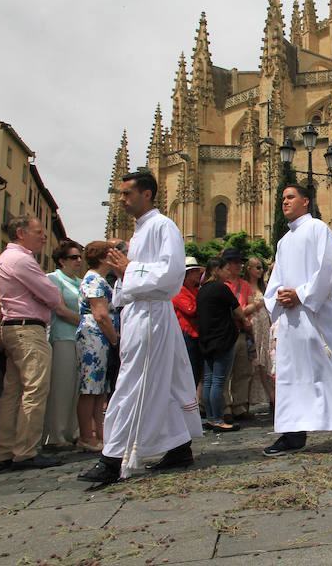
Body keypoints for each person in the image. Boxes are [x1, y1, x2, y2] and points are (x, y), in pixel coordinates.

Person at [78, 171, 202, 484]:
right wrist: (125, 272)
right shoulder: (139, 233)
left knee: (134, 381)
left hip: (150, 313)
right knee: (168, 382)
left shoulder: (163, 226)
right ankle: (179, 446)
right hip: (140, 311)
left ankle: (112, 458)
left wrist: (128, 269)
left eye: (127, 193)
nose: (121, 199)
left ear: (146, 194)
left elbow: (172, 273)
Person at [262, 184, 332, 457]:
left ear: (305, 201)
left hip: (318, 314)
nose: (284, 202)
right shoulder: (284, 241)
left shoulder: (318, 229)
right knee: (293, 374)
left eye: (290, 197)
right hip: (293, 321)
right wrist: (278, 297)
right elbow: (276, 281)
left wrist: (301, 294)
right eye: (282, 198)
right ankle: (293, 432)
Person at [0, 216, 78, 470]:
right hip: (28, 330)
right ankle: (26, 451)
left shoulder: (5, 258)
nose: (43, 237)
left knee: (13, 393)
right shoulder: (21, 259)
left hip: (13, 328)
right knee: (34, 390)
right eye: (38, 232)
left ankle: (5, 451)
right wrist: (46, 297)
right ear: (20, 233)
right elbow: (52, 294)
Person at [75, 241, 120, 452]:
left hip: (98, 336)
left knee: (99, 389)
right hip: (94, 336)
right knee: (90, 388)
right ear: (103, 259)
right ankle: (86, 435)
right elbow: (100, 314)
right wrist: (114, 338)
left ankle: (98, 433)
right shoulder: (94, 279)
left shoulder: (98, 279)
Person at [43, 239, 84, 449]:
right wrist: (86, 322)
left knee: (76, 386)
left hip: (79, 339)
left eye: (79, 256)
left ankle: (72, 430)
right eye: (73, 257)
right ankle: (56, 434)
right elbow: (59, 309)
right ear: (61, 260)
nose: (78, 260)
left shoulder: (80, 281)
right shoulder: (54, 278)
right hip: (62, 336)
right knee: (61, 386)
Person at [196, 257, 243, 432]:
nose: (229, 272)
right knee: (218, 381)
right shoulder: (222, 288)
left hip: (206, 339)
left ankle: (210, 417)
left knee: (208, 380)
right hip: (223, 339)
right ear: (217, 269)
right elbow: (238, 312)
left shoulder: (202, 290)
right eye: (226, 269)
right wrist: (245, 320)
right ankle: (217, 419)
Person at [220, 248, 254, 422]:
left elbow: (252, 305)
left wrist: (239, 311)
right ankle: (225, 406)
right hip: (227, 332)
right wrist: (242, 312)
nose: (239, 266)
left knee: (243, 370)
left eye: (240, 263)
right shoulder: (221, 285)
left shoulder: (245, 285)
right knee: (226, 371)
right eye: (235, 263)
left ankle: (240, 406)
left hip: (241, 331)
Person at [244, 257, 274, 411]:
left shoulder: (265, 286)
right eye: (257, 267)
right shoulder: (244, 286)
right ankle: (245, 402)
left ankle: (272, 399)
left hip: (264, 326)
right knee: (252, 365)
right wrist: (258, 304)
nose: (261, 270)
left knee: (265, 364)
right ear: (249, 269)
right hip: (252, 325)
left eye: (262, 267)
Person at [172, 256, 205, 399]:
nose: (199, 274)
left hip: (196, 333)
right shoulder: (179, 290)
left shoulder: (195, 290)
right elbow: (191, 310)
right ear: (188, 274)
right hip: (187, 333)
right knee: (190, 371)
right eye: (196, 271)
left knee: (196, 371)